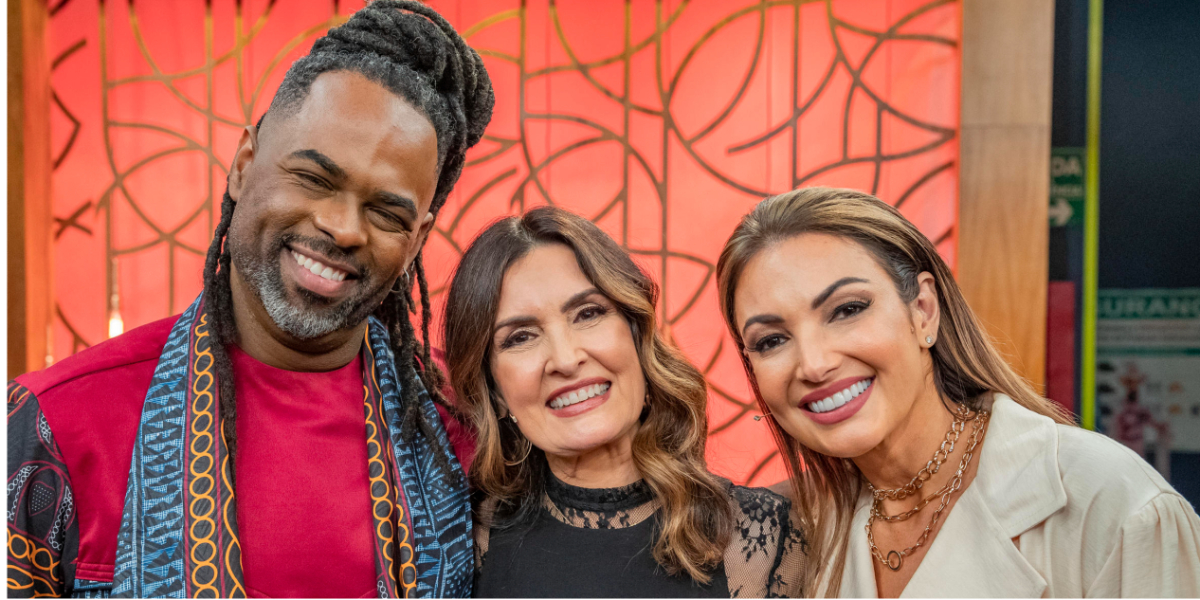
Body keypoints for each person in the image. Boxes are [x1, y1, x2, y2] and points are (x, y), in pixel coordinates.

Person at [7, 2, 493, 597]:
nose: (343, 228)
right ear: (243, 166)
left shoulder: (468, 428)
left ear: (417, 238)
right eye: (313, 178)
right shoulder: (57, 424)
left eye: (387, 212)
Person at [715, 187, 1200, 597]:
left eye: (847, 309)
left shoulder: (1110, 503)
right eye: (772, 340)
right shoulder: (783, 537)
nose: (814, 364)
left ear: (923, 310)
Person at [442, 207, 807, 598]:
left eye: (588, 313)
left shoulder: (763, 537)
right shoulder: (459, 545)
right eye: (520, 337)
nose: (566, 359)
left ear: (638, 336)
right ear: (494, 393)